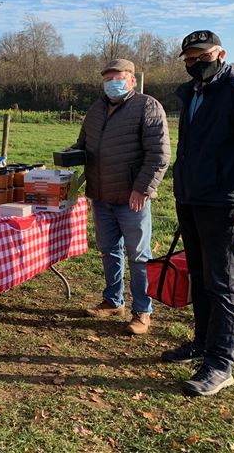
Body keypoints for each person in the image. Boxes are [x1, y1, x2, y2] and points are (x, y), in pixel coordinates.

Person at [163, 30, 234, 396]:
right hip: (191, 200)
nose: (196, 63)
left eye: (202, 56)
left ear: (221, 53)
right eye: (189, 59)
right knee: (200, 276)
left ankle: (220, 363)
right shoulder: (193, 92)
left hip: (224, 204)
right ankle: (202, 343)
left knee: (223, 283)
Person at [74, 59, 170, 335]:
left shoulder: (147, 106)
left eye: (117, 78)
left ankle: (142, 310)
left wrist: (142, 189)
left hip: (132, 198)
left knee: (139, 255)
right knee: (109, 250)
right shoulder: (95, 109)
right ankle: (113, 301)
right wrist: (67, 157)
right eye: (107, 79)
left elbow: (159, 155)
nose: (111, 83)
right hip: (101, 195)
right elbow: (83, 144)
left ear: (132, 81)